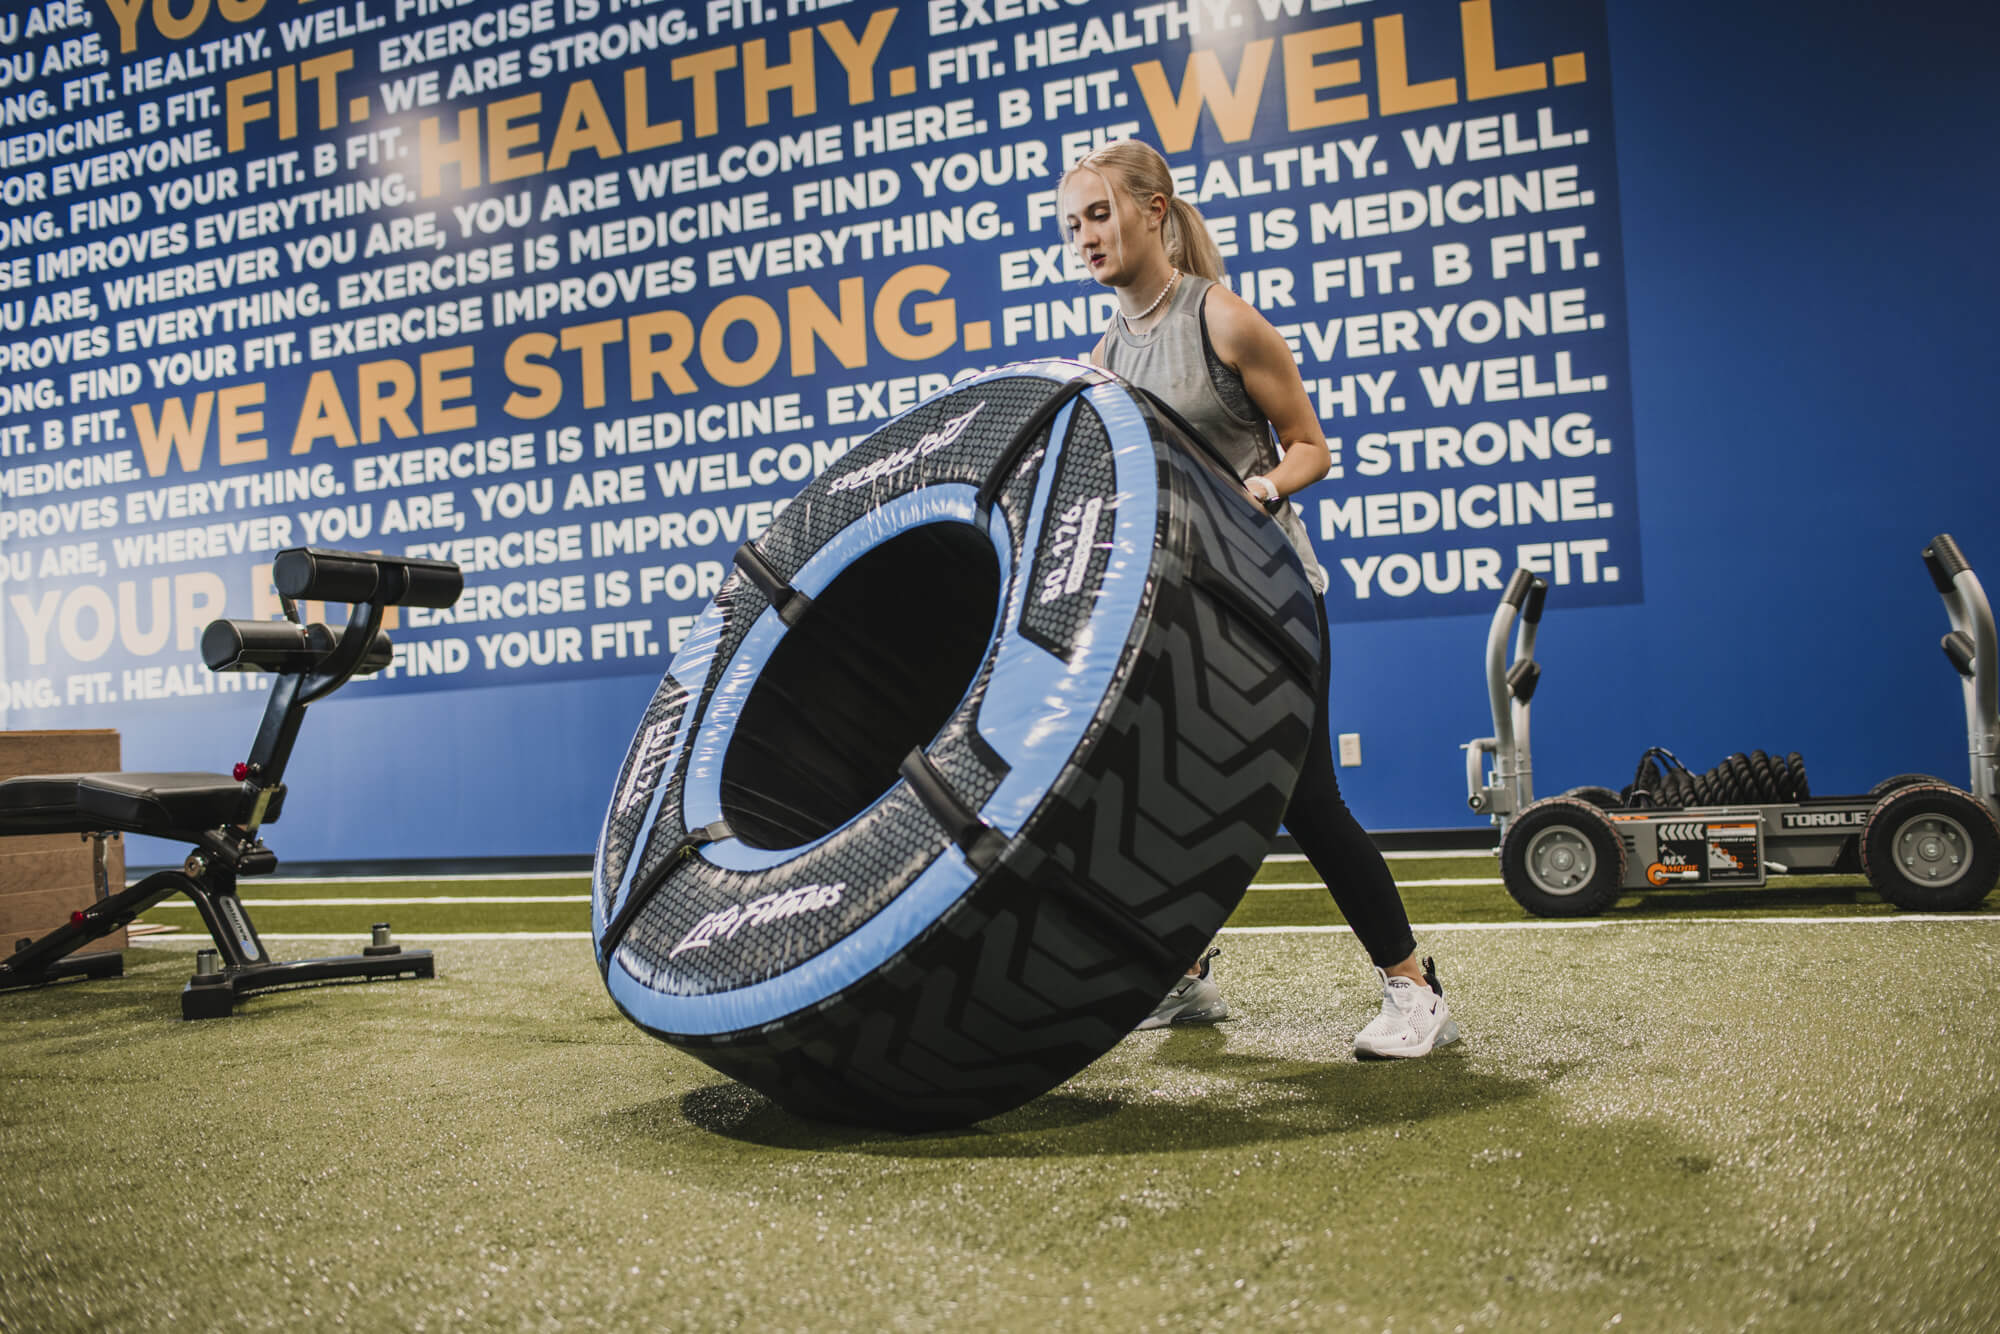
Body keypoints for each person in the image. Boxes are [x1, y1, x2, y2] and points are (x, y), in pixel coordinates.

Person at [1059, 139, 1460, 1059]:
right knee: (1163, 792)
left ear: (1153, 211)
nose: (1085, 236)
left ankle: (1414, 989)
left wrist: (1264, 491)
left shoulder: (1225, 322)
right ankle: (1189, 977)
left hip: (1274, 598)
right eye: (1072, 223)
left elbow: (1311, 446)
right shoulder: (1107, 352)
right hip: (1183, 610)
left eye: (1098, 214)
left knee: (1306, 799)